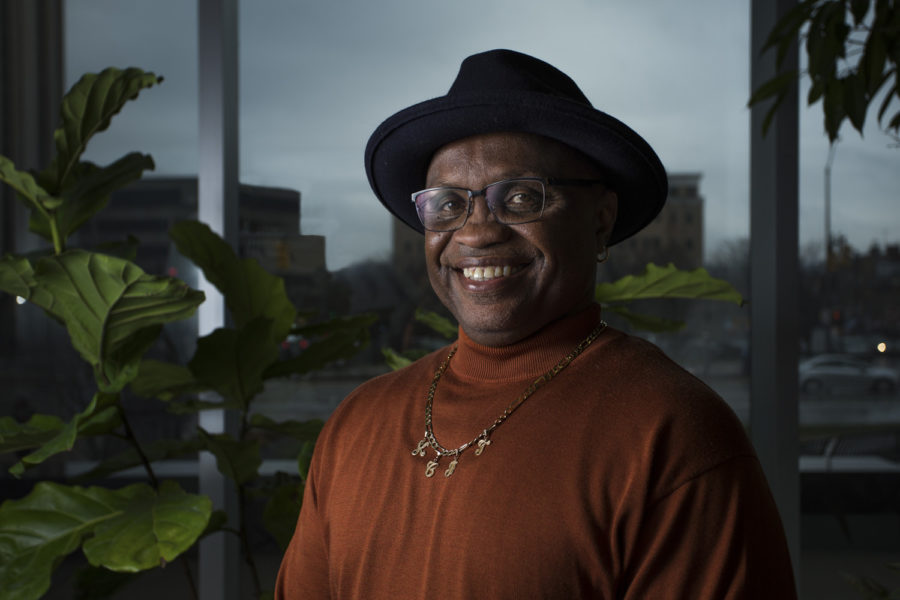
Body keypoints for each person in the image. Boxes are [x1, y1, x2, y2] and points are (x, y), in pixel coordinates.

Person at [276, 49, 797, 599]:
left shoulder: (671, 435)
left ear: (600, 221)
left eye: (521, 197)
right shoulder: (357, 422)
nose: (476, 232)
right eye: (448, 204)